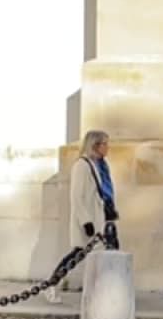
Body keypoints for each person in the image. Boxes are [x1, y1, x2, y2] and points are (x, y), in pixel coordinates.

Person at [48, 130, 119, 303]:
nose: (107, 147)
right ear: (95, 145)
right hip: (89, 221)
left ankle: (103, 294)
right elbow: (77, 196)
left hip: (100, 218)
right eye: (104, 144)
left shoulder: (100, 165)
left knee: (105, 256)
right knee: (77, 254)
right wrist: (86, 221)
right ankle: (52, 285)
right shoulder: (82, 166)